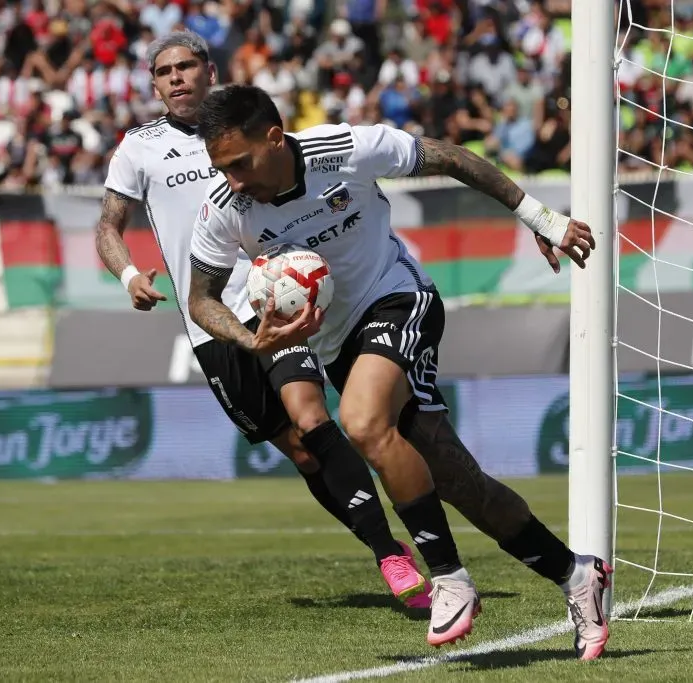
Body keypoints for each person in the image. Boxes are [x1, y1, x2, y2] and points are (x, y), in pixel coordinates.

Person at [187, 84, 612, 658]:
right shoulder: (223, 208)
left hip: (399, 299)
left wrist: (539, 216)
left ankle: (450, 579)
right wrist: (249, 338)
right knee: (459, 481)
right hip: (338, 345)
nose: (233, 179)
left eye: (239, 163)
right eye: (222, 168)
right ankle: (576, 573)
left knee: (361, 422)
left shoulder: (347, 148)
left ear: (273, 136)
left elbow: (452, 158)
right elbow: (201, 299)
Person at [94, 32, 432, 609]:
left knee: (313, 416)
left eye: (186, 66)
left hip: (276, 299)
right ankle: (384, 543)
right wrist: (129, 276)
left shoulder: (245, 125)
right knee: (301, 452)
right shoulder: (137, 148)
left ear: (209, 69)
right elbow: (108, 225)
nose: (176, 78)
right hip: (211, 322)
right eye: (164, 71)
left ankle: (397, 559)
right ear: (153, 85)